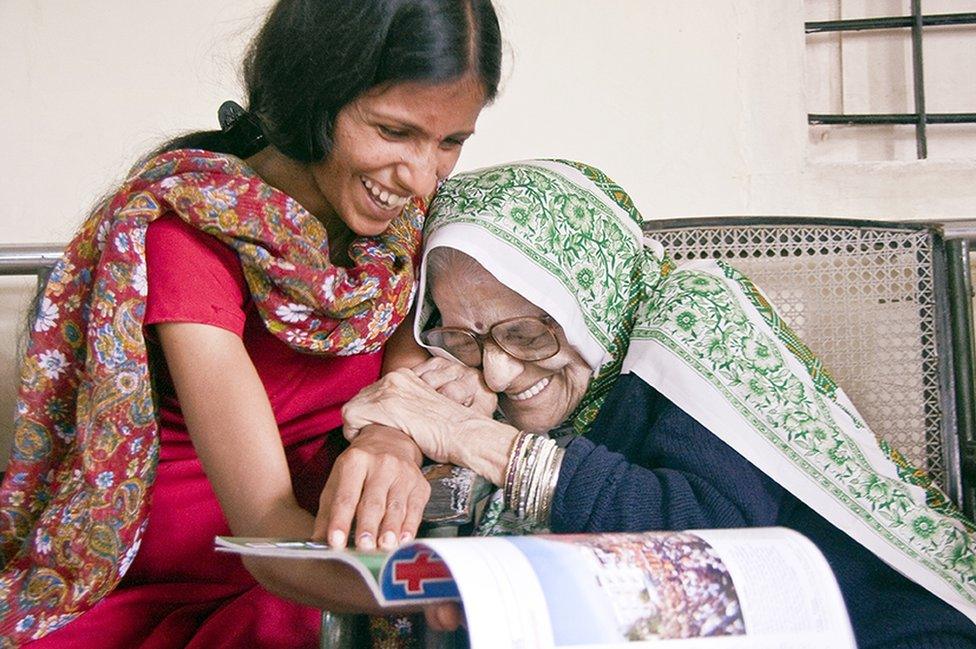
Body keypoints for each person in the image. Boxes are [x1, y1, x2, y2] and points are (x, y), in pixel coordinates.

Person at [0, 1, 501, 646]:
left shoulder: (407, 232)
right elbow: (266, 533)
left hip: (334, 539)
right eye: (394, 132)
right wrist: (448, 588)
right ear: (314, 98)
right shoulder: (191, 238)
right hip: (224, 567)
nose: (423, 177)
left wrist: (387, 442)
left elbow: (403, 388)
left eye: (451, 142)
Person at [342, 160, 976, 647]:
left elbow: (714, 546)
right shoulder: (523, 379)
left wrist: (472, 438)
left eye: (529, 333)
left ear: (591, 300)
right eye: (467, 336)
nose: (502, 371)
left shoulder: (696, 320)